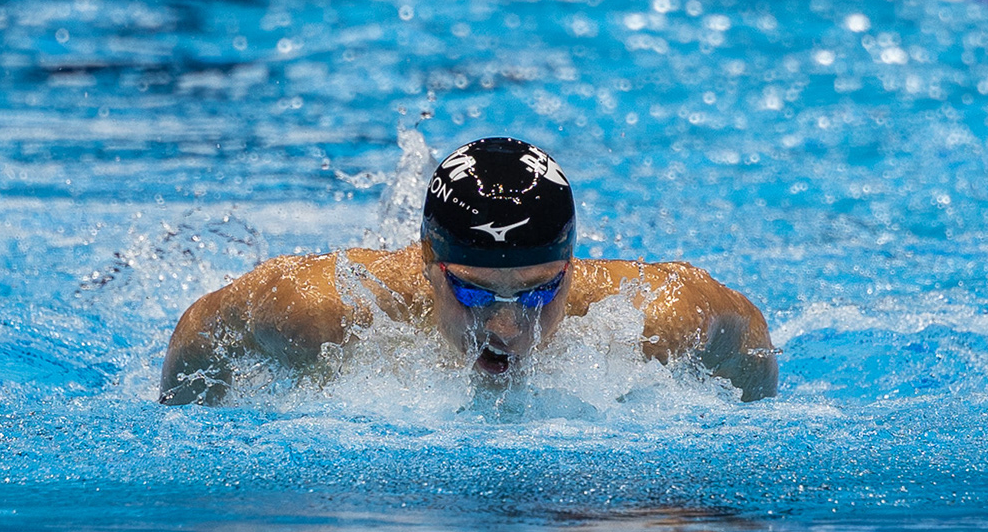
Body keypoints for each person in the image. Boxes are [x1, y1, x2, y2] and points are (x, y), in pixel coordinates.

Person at [160, 137, 778, 405]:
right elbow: (200, 332)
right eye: (473, 291)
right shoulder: (318, 310)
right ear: (429, 259)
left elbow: (745, 333)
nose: (506, 326)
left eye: (539, 292)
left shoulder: (661, 316)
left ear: (571, 263)